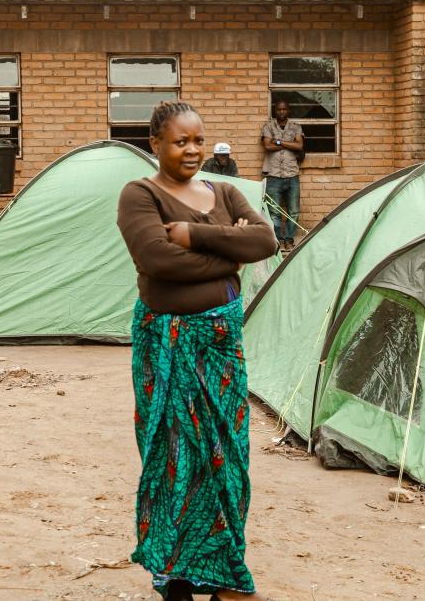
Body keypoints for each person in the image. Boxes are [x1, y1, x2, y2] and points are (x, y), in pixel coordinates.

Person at [117, 101, 278, 601]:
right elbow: (156, 260)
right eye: (180, 141)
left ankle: (221, 571)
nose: (191, 150)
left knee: (225, 457)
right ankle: (176, 577)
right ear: (156, 145)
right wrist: (230, 259)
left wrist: (197, 235)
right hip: (166, 346)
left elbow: (268, 241)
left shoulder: (225, 190)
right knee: (174, 456)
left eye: (198, 140)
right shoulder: (140, 195)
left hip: (221, 348)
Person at [260, 100, 304, 251]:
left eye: (284, 109)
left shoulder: (296, 127)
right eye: (278, 109)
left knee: (293, 210)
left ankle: (289, 239)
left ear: (288, 110)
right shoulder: (268, 126)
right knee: (274, 212)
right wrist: (288, 143)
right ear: (275, 111)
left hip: (292, 174)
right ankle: (278, 240)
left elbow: (299, 145)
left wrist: (278, 141)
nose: (281, 112)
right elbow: (267, 146)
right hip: (273, 175)